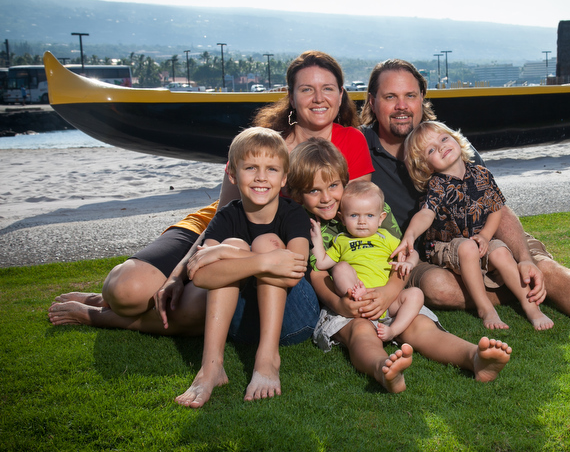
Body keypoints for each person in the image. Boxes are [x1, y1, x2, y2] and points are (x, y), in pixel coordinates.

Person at [48, 50, 372, 337]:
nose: (318, 98)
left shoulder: (352, 142)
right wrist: (178, 274)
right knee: (125, 291)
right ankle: (107, 300)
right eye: (307, 89)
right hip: (210, 230)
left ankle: (99, 316)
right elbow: (223, 215)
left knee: (192, 309)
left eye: (327, 89)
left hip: (248, 251)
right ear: (290, 95)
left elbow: (351, 217)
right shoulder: (263, 143)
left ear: (341, 94)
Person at [359, 59, 570, 346]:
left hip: (482, 236)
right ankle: (518, 290)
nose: (402, 106)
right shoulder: (361, 147)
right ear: (372, 101)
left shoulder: (451, 144)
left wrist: (524, 257)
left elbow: (495, 206)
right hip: (429, 254)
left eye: (410, 96)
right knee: (437, 288)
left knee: (539, 268)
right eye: (390, 97)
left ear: (422, 98)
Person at [287, 137, 513, 393]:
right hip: (346, 304)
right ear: (298, 194)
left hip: (389, 294)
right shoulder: (303, 224)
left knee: (420, 326)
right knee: (360, 333)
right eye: (313, 190)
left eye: (333, 185)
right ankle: (382, 368)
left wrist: (388, 293)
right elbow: (317, 274)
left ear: (344, 181)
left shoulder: (370, 206)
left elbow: (400, 257)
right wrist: (341, 304)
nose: (326, 197)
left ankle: (473, 356)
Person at [175, 127, 313, 408]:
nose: (261, 177)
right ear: (233, 175)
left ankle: (267, 360)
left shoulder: (293, 214)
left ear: (284, 178)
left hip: (295, 318)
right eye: (251, 167)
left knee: (265, 242)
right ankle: (212, 366)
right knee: (235, 244)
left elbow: (293, 270)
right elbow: (199, 275)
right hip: (241, 325)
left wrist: (241, 255)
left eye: (271, 169)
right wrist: (245, 256)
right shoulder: (228, 216)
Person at [396, 120, 553, 331]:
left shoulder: (482, 174)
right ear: (425, 165)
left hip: (478, 238)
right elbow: (426, 213)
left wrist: (487, 236)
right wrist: (410, 234)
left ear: (457, 140)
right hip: (445, 245)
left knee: (501, 254)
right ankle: (485, 307)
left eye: (444, 139)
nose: (441, 146)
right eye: (431, 149)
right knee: (468, 248)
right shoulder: (437, 185)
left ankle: (530, 306)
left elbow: (496, 207)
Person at [310, 181, 423, 341]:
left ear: (381, 218)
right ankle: (359, 298)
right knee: (340, 267)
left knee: (416, 294)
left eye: (369, 215)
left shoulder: (386, 238)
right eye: (354, 215)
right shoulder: (341, 240)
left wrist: (409, 263)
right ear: (342, 218)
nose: (362, 221)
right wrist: (317, 239)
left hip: (386, 301)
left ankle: (393, 330)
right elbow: (321, 263)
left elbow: (412, 253)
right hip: (356, 298)